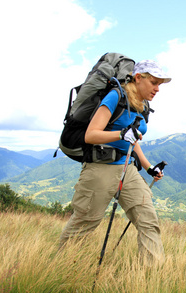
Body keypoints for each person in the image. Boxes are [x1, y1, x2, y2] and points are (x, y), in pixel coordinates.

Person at [58, 60, 171, 264]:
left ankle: (152, 277)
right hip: (100, 168)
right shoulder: (115, 97)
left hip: (127, 168)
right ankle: (58, 269)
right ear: (138, 78)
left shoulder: (143, 105)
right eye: (154, 82)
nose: (157, 89)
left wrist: (149, 168)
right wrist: (121, 133)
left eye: (159, 84)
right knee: (85, 223)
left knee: (148, 220)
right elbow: (91, 135)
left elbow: (133, 140)